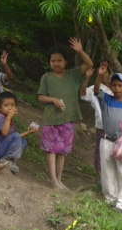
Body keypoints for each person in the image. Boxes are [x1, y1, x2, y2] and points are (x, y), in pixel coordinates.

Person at [37, 38, 93, 189]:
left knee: (61, 151)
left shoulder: (73, 75)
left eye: (59, 60)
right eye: (53, 61)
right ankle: (53, 180)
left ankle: (59, 180)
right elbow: (41, 97)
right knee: (51, 150)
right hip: (51, 120)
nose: (56, 64)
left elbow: (89, 65)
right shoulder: (46, 78)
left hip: (67, 120)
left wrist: (80, 50)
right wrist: (53, 99)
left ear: (66, 61)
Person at [93, 62, 122, 213]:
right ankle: (111, 199)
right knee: (107, 171)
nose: (117, 88)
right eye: (114, 85)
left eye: (120, 85)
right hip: (106, 140)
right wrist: (100, 75)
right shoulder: (106, 99)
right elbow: (96, 89)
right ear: (110, 87)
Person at [0, 92, 39, 174]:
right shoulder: (1, 118)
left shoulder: (9, 119)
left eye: (12, 105)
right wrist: (9, 117)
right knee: (17, 136)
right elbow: (4, 133)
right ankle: (6, 160)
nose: (9, 108)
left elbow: (15, 137)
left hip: (2, 149)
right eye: (6, 105)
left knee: (23, 141)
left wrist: (28, 132)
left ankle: (11, 160)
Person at [80, 64, 113, 184]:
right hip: (101, 125)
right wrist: (87, 79)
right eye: (100, 73)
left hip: (116, 126)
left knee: (114, 150)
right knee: (100, 151)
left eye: (105, 72)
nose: (103, 75)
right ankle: (100, 176)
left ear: (109, 73)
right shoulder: (94, 89)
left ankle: (111, 176)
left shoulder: (115, 87)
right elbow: (83, 94)